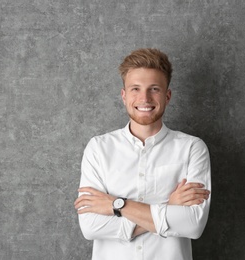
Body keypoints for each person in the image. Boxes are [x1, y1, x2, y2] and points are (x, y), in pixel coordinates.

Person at [74, 48, 211, 260]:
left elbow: (192, 225)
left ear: (167, 96)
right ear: (124, 95)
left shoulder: (192, 148)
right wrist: (169, 207)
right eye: (135, 88)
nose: (144, 98)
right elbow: (91, 227)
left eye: (154, 89)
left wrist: (117, 205)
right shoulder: (98, 148)